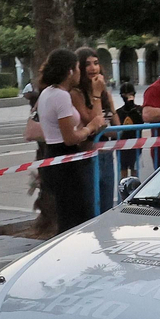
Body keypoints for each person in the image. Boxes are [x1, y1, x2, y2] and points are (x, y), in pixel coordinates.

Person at [36, 48, 108, 234]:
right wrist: (91, 127)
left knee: (69, 213)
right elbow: (69, 138)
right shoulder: (61, 96)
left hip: (53, 156)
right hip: (64, 160)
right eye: (77, 68)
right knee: (75, 216)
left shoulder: (47, 93)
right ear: (69, 71)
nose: (79, 73)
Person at [72, 47, 115, 212]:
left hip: (106, 154)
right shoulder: (76, 94)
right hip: (88, 156)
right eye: (87, 64)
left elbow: (115, 129)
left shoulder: (105, 93)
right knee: (92, 207)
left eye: (96, 63)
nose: (93, 68)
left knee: (106, 207)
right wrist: (96, 95)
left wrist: (109, 103)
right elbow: (95, 123)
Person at [114, 80, 143, 179]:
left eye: (130, 94)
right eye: (125, 94)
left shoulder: (139, 110)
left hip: (136, 145)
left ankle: (134, 190)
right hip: (122, 146)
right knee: (123, 171)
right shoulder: (118, 112)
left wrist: (133, 109)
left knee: (135, 171)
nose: (127, 96)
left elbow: (141, 121)